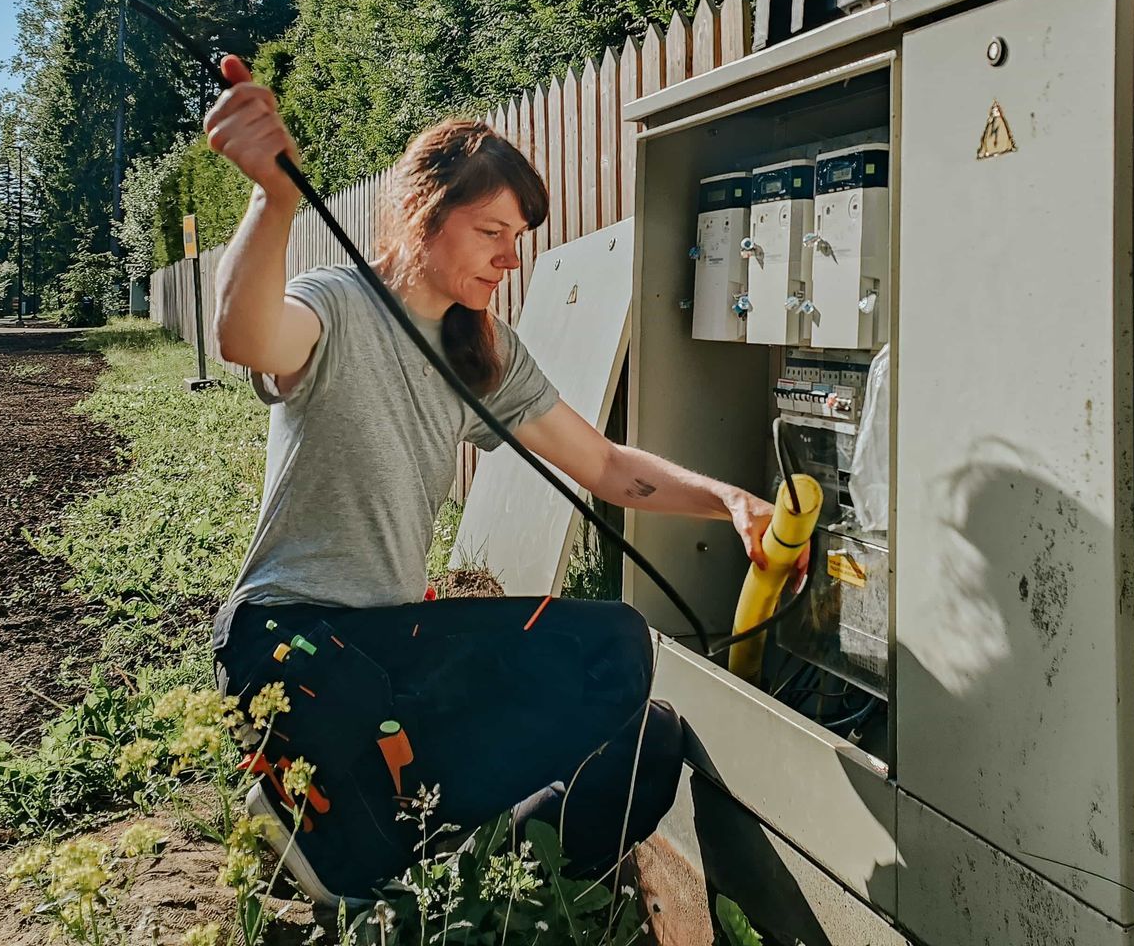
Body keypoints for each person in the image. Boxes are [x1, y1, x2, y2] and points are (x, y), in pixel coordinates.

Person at [202, 55, 790, 905]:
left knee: (640, 725)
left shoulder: (484, 353)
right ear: (421, 217)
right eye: (491, 233)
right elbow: (244, 334)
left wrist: (729, 499)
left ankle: (413, 848)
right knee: (609, 649)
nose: (510, 259)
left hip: (390, 651)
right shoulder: (333, 304)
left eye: (519, 240)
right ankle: (352, 839)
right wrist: (274, 198)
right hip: (290, 648)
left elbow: (609, 467)